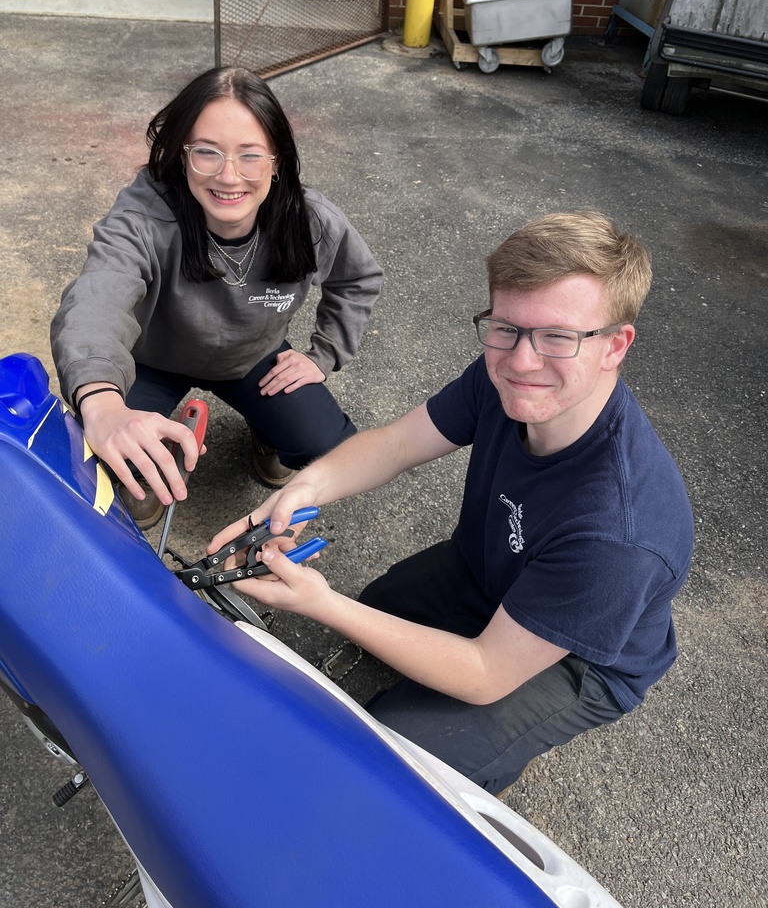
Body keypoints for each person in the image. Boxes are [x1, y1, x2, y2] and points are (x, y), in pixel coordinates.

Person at [209, 211, 695, 796]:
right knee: (383, 606)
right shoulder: (508, 378)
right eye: (506, 327)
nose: (521, 361)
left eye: (558, 336)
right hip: (490, 569)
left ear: (616, 344)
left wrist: (321, 603)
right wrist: (301, 491)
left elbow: (488, 674)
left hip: (581, 662)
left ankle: (475, 772)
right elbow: (395, 444)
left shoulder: (619, 533)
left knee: (391, 760)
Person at [51, 66, 383, 529]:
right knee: (95, 454)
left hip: (253, 360)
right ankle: (150, 457)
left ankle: (268, 431)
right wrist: (102, 401)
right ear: (183, 155)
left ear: (277, 159)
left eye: (250, 156)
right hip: (153, 359)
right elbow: (96, 296)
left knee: (326, 445)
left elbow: (358, 279)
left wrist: (323, 355)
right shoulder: (145, 215)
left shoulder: (310, 221)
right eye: (207, 152)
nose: (229, 177)